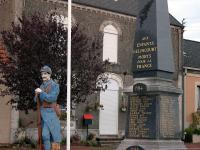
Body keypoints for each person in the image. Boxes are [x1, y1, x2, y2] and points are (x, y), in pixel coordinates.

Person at [35, 65, 61, 150]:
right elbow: (36, 101)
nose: (43, 76)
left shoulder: (55, 85)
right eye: (42, 74)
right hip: (44, 114)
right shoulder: (42, 86)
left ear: (49, 74)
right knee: (45, 135)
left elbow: (52, 98)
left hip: (52, 113)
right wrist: (36, 94)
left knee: (55, 137)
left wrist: (41, 92)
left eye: (45, 73)